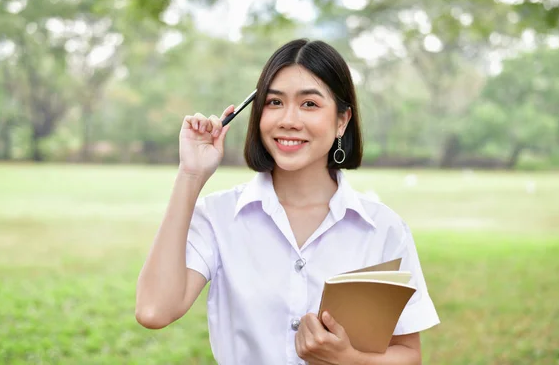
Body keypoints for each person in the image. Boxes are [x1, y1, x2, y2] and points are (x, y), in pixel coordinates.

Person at [135, 39, 439, 365]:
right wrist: (191, 175)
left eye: (309, 104)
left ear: (342, 120)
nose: (288, 120)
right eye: (274, 102)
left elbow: (408, 355)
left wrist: (347, 358)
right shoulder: (218, 217)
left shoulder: (384, 229)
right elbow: (154, 311)